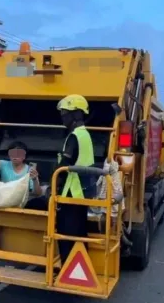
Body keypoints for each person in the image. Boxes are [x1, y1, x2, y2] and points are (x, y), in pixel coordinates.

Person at [55, 94, 96, 265]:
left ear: (76, 115)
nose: (63, 118)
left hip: (72, 192)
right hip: (83, 193)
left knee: (66, 235)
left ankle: (68, 270)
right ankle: (80, 268)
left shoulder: (74, 137)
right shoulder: (85, 135)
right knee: (80, 233)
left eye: (65, 114)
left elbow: (64, 165)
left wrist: (54, 185)